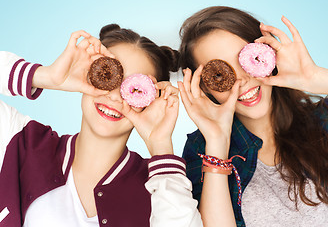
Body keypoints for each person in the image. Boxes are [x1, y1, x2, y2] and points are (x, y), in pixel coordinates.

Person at [0, 24, 203, 227]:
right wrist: (49, 77)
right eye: (106, 75)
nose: (114, 96)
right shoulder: (21, 142)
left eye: (134, 89)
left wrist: (160, 145)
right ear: (86, 74)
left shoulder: (160, 185)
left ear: (150, 102)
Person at [177, 6, 328, 227]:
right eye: (219, 74)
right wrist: (217, 143)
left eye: (250, 58)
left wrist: (315, 77)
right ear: (204, 88)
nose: (242, 79)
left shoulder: (327, 121)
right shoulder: (201, 148)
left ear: (270, 54)